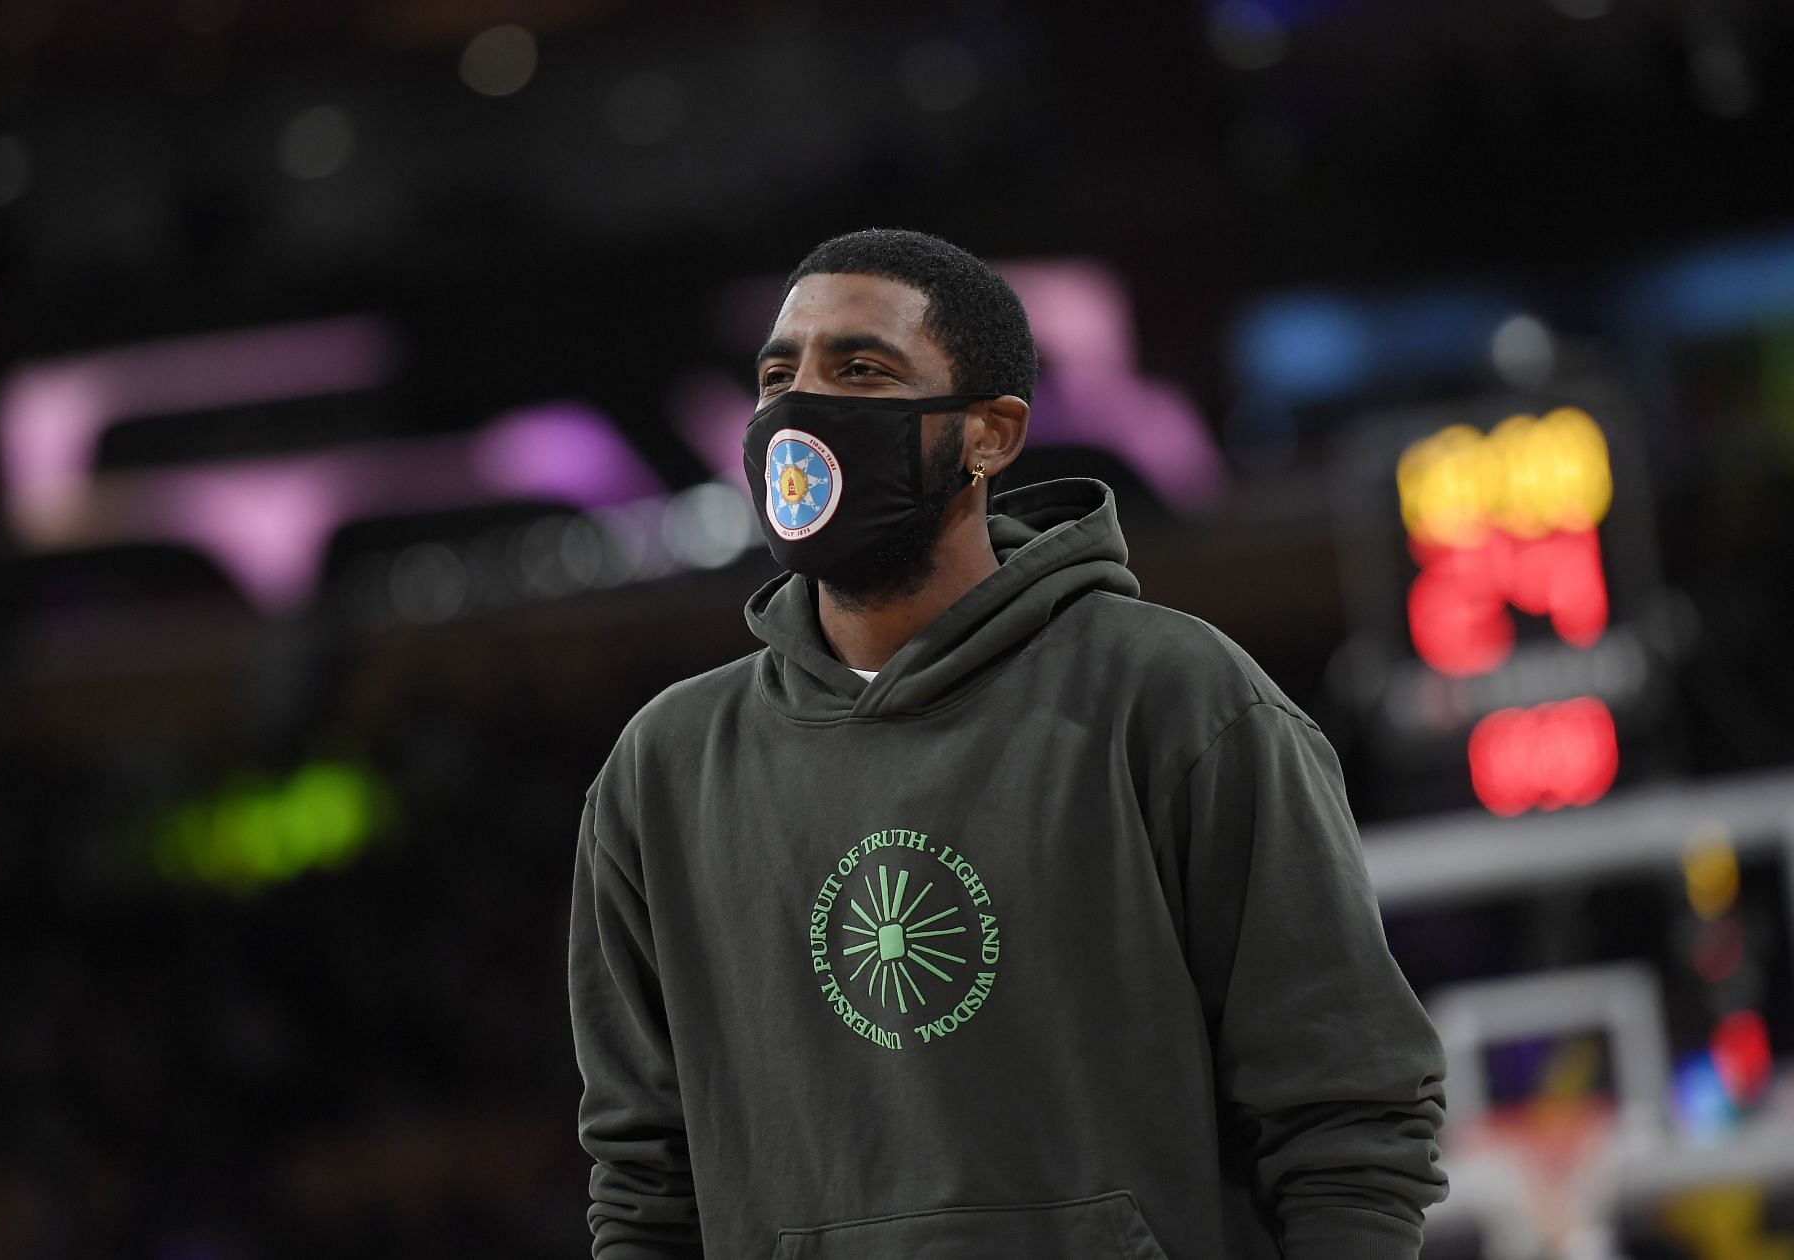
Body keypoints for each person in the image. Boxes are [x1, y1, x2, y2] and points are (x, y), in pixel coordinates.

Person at [568, 228, 1448, 1259]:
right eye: (777, 376)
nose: (798, 409)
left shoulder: (1178, 700)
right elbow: (644, 1186)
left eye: (859, 369)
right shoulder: (662, 769)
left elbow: (1351, 1118)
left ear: (991, 434)